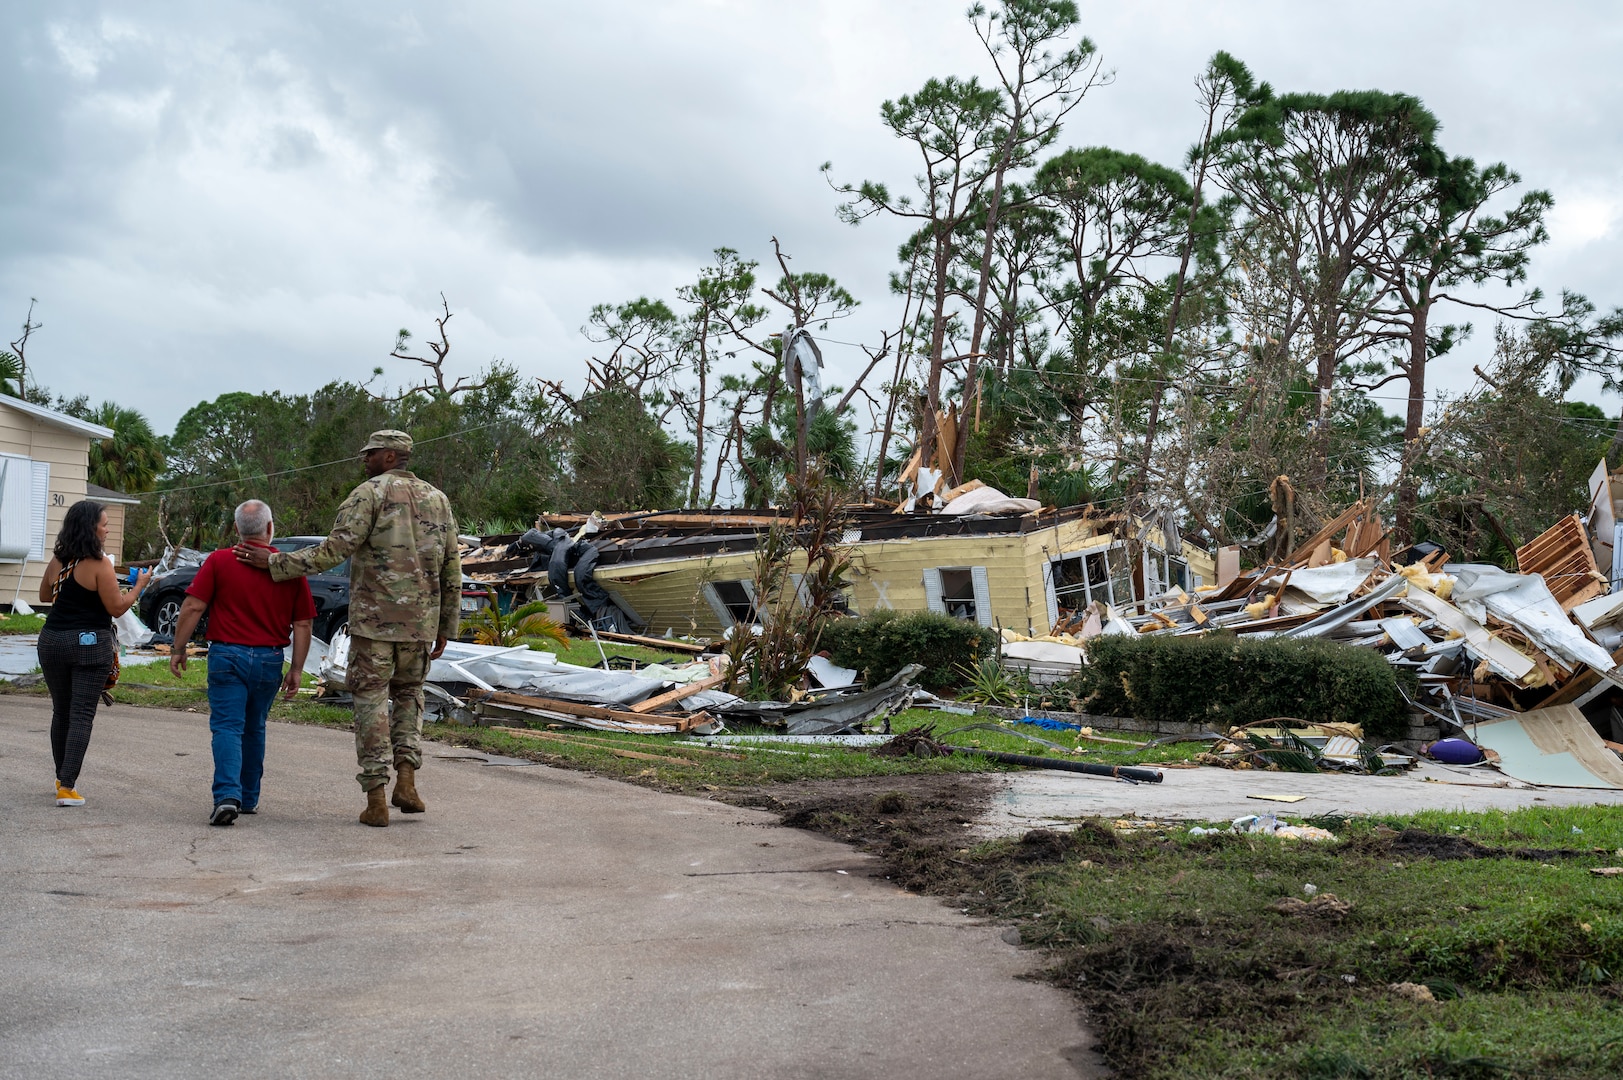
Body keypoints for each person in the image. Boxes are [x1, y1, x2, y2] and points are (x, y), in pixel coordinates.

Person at [235, 430, 460, 827]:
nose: (364, 460)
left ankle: (376, 798)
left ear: (390, 456)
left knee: (371, 703)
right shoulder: (439, 499)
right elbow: (451, 566)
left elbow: (334, 550)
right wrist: (446, 624)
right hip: (420, 625)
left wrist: (274, 564)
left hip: (375, 625)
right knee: (410, 698)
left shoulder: (367, 494)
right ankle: (406, 781)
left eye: (369, 454)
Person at [170, 500, 315, 826]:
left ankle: (227, 796)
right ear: (269, 528)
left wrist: (178, 648)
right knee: (254, 728)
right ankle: (248, 798)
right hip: (268, 659)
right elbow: (303, 624)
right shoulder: (287, 567)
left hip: (227, 657)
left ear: (237, 529)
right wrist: (296, 668)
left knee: (226, 727)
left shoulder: (219, 561)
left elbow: (193, 606)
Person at [36, 499, 151, 807]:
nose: (107, 528)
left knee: (61, 711)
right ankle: (68, 788)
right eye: (104, 523)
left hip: (52, 641)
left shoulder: (59, 560)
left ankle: (62, 778)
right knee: (82, 714)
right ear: (91, 528)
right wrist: (139, 586)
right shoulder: (100, 564)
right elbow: (116, 607)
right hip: (89, 644)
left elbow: (44, 595)